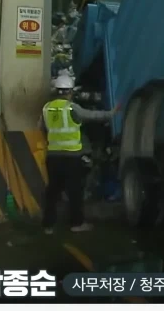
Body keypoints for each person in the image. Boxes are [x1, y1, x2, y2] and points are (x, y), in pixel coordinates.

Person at [39, 71, 121, 234]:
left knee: (53, 191)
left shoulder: (47, 108)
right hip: (71, 157)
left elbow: (42, 128)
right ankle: (76, 224)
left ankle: (48, 226)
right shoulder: (72, 108)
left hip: (53, 156)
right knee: (75, 191)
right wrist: (112, 113)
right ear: (70, 91)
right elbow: (93, 115)